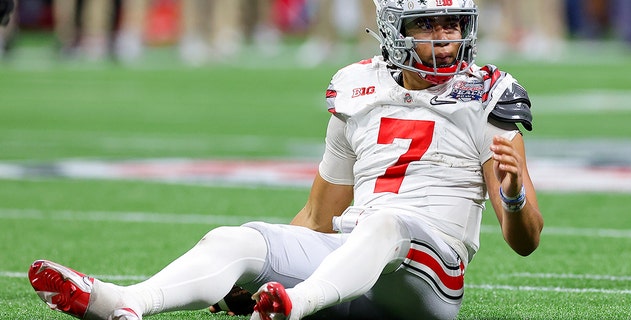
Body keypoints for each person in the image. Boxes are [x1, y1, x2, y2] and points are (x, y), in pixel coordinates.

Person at [27, 0, 544, 319]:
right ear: (392, 28)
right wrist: (258, 265)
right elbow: (318, 218)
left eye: (451, 24)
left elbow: (525, 241)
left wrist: (516, 195)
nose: (444, 38)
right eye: (426, 25)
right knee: (239, 238)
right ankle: (124, 302)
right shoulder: (356, 88)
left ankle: (290, 307)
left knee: (387, 223)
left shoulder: (489, 93)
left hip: (431, 278)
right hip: (350, 266)